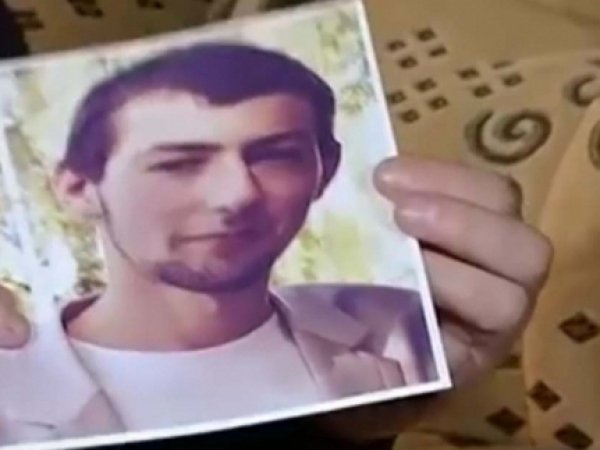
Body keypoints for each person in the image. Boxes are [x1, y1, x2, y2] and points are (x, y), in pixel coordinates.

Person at [0, 43, 553, 448]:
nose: (237, 195)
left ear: (325, 170)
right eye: (179, 164)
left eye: (275, 156)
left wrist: (350, 432)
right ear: (78, 188)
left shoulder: (397, 328)